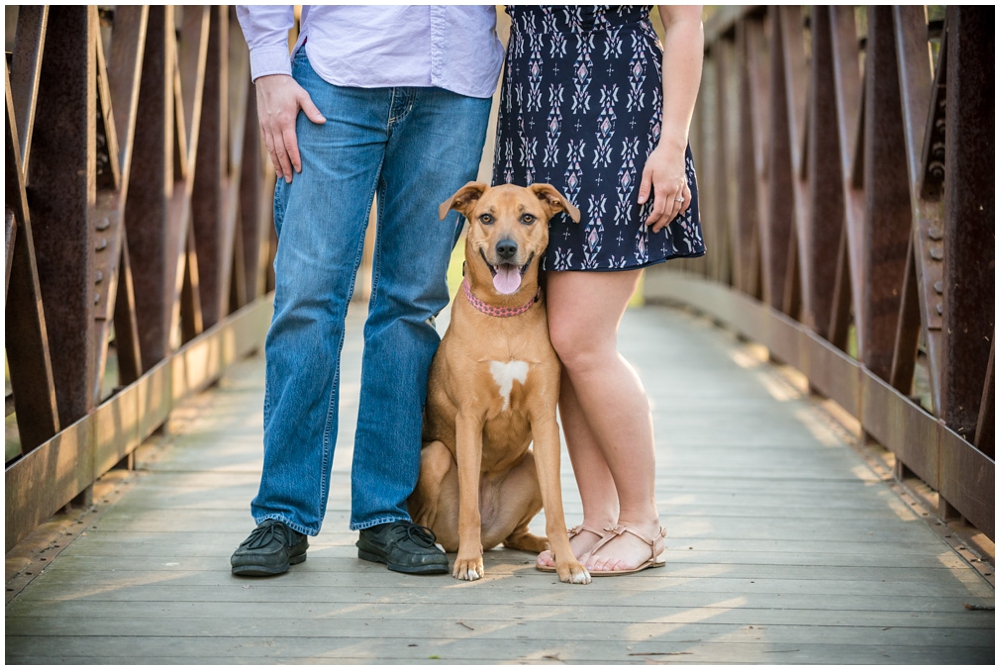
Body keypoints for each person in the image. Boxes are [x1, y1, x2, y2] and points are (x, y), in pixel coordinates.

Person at [230, 6, 504, 577]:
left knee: (412, 302)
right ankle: (283, 511)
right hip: (337, 71)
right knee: (307, 297)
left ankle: (386, 513)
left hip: (454, 81)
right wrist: (268, 66)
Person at [493, 6, 705, 575]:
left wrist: (672, 145)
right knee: (561, 343)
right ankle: (600, 519)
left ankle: (643, 522)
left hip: (618, 117)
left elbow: (686, 23)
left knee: (580, 337)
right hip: (535, 118)